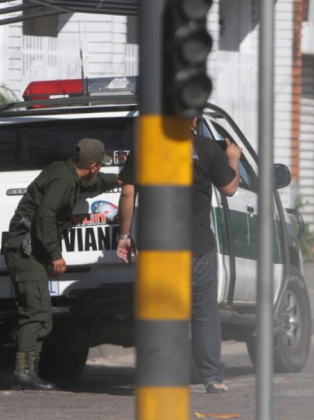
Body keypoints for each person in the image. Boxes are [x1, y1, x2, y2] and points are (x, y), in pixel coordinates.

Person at [116, 116, 241, 394]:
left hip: (157, 248)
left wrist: (124, 236)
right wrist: (233, 158)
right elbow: (230, 188)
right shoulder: (207, 148)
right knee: (204, 314)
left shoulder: (145, 148)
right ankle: (212, 378)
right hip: (197, 247)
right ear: (194, 120)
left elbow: (127, 194)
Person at [3, 138, 118, 390]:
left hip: (31, 252)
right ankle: (23, 373)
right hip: (27, 252)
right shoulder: (64, 180)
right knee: (37, 314)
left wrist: (119, 179)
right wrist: (56, 255)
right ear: (94, 165)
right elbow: (45, 215)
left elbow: (94, 183)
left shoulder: (65, 171)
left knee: (37, 313)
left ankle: (26, 371)